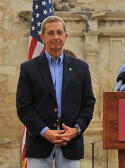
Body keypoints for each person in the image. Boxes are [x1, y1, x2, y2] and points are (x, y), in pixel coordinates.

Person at [16, 16, 96, 168]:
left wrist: (76, 130)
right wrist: (45, 132)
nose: (56, 37)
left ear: (65, 36)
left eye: (59, 33)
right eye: (50, 33)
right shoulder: (28, 68)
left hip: (70, 142)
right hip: (39, 142)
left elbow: (88, 103)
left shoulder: (81, 68)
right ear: (42, 37)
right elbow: (23, 107)